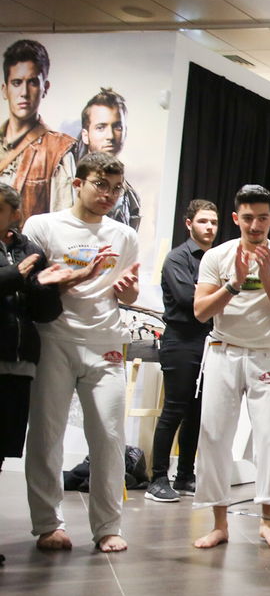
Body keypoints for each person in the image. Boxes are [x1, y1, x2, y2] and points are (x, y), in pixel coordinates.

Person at [22, 151, 138, 552]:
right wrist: (79, 275)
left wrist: (129, 291)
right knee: (46, 436)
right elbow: (32, 288)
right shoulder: (43, 226)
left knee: (108, 437)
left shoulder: (124, 235)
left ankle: (108, 526)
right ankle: (47, 524)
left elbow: (131, 289)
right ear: (79, 184)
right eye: (100, 185)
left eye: (116, 188)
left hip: (106, 342)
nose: (108, 194)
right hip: (55, 337)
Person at [190, 184, 270, 549]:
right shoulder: (217, 256)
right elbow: (201, 311)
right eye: (248, 218)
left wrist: (267, 276)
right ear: (236, 218)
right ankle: (219, 523)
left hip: (268, 354)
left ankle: (268, 522)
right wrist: (235, 282)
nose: (255, 225)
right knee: (215, 436)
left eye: (262, 218)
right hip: (223, 351)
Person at [146, 198, 218, 502]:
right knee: (175, 408)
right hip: (181, 339)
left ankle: (186, 475)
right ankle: (157, 479)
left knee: (197, 412)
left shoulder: (217, 259)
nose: (210, 227)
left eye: (214, 222)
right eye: (204, 221)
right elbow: (192, 301)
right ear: (189, 224)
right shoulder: (177, 258)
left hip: (209, 341)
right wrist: (225, 294)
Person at [0, 182, 62, 480]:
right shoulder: (22, 262)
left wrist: (46, 287)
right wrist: (15, 276)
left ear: (15, 213)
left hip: (19, 360)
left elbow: (46, 313)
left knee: (3, 444)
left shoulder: (30, 251)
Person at [0, 39, 75, 219]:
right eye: (17, 82)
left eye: (32, 82)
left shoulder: (57, 151)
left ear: (45, 87)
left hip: (28, 246)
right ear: (5, 89)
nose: (24, 93)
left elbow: (62, 222)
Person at [76, 88, 139, 230]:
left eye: (117, 127)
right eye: (101, 127)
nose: (110, 136)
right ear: (85, 135)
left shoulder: (130, 196)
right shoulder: (67, 178)